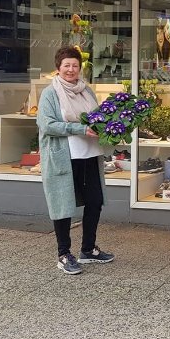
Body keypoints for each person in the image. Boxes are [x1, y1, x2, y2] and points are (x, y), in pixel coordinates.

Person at [37, 46, 114, 275]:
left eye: (75, 65)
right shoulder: (50, 93)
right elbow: (47, 124)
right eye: (66, 65)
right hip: (64, 157)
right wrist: (79, 127)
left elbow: (97, 118)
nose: (71, 69)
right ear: (58, 68)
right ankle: (64, 254)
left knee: (95, 201)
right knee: (63, 205)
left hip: (89, 154)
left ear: (81, 68)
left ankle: (88, 250)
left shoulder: (86, 90)